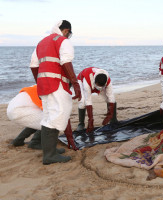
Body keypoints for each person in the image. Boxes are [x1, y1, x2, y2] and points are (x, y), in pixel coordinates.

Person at [29, 20, 81, 165]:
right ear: (66, 31)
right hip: (57, 84)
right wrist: (75, 84)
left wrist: (39, 82)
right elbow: (66, 61)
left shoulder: (42, 42)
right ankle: (50, 155)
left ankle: (49, 150)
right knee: (58, 115)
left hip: (44, 85)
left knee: (47, 116)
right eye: (69, 34)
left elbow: (33, 64)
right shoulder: (63, 41)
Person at [7, 85, 78, 151]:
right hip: (21, 110)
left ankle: (18, 140)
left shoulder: (45, 83)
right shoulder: (55, 92)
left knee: (37, 119)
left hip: (12, 108)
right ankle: (35, 142)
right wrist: (69, 138)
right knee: (52, 121)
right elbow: (61, 115)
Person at [75, 67, 119, 132]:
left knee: (109, 99)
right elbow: (88, 100)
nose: (99, 88)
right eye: (98, 86)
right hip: (82, 81)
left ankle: (113, 120)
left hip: (98, 82)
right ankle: (81, 123)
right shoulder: (87, 81)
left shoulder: (107, 80)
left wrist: (109, 114)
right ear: (94, 81)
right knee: (83, 102)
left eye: (101, 87)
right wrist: (91, 120)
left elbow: (111, 97)